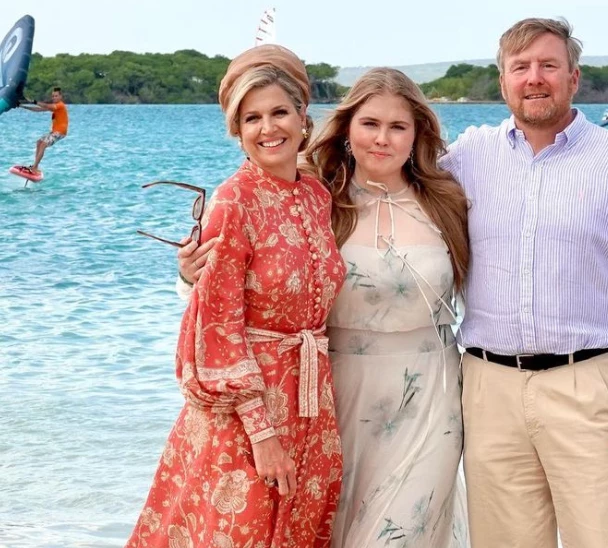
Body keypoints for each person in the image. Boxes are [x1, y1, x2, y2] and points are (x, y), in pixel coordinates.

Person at [177, 68, 471, 547]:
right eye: (370, 124)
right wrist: (189, 276)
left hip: (431, 395)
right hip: (335, 395)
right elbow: (247, 287)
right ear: (347, 129)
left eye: (397, 127)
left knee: (405, 531)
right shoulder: (318, 195)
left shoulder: (446, 200)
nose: (382, 138)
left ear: (417, 134)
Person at [439, 17, 608, 547]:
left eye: (548, 65)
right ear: (503, 81)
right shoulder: (468, 157)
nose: (534, 78)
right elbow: (387, 177)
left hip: (588, 389)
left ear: (573, 78)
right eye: (520, 67)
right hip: (487, 390)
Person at [126, 45, 346, 548]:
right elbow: (218, 327)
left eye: (279, 112)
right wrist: (262, 434)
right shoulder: (232, 201)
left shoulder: (317, 196)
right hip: (246, 417)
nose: (268, 128)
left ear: (303, 118)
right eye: (252, 118)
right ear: (237, 130)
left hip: (313, 405)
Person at [19, 86, 69, 175]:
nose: (54, 98)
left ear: (60, 97)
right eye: (53, 96)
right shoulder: (54, 107)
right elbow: (38, 109)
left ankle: (34, 167)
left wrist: (33, 101)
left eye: (56, 96)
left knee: (43, 145)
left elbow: (46, 105)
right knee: (39, 142)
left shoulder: (60, 105)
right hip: (54, 132)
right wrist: (22, 106)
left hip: (60, 132)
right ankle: (35, 166)